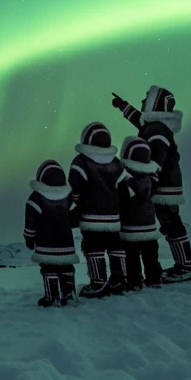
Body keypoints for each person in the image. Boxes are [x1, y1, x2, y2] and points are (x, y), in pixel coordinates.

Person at [111, 85, 191, 282]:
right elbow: (139, 121)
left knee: (171, 225)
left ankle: (186, 267)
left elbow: (157, 157)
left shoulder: (157, 130)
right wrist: (122, 106)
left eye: (146, 99)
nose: (142, 102)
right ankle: (184, 265)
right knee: (171, 224)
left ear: (155, 103)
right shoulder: (155, 126)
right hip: (163, 185)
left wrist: (149, 180)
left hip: (163, 187)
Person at [69, 122, 125, 298]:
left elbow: (75, 190)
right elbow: (124, 190)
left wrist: (74, 209)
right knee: (116, 246)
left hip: (90, 217)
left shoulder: (81, 162)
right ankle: (119, 279)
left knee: (93, 247)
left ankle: (98, 282)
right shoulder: (117, 163)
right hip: (114, 218)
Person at [23, 159, 79, 306]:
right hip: (66, 243)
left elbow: (31, 222)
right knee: (67, 267)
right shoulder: (67, 198)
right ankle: (69, 294)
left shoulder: (36, 198)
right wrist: (66, 225)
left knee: (48, 268)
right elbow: (75, 218)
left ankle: (51, 296)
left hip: (45, 243)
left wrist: (29, 238)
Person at [115, 136, 163, 290]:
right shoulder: (151, 176)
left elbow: (122, 195)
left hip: (130, 225)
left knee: (132, 256)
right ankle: (154, 278)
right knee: (151, 255)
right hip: (149, 225)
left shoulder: (125, 176)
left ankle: (135, 281)